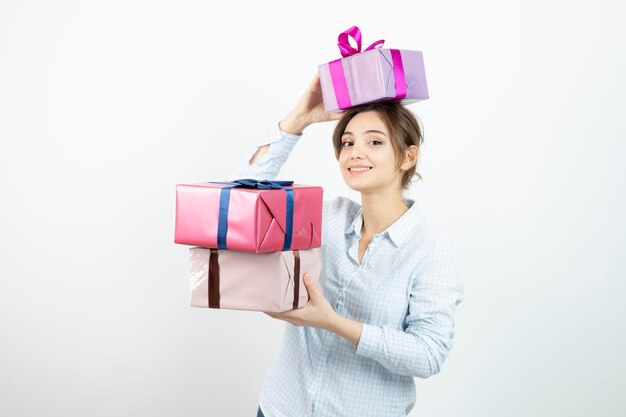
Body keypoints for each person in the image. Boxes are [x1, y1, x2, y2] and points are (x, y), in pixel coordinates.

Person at [230, 73, 464, 417]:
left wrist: (332, 322)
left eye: (374, 142)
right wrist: (298, 119)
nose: (355, 153)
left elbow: (428, 354)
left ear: (407, 157)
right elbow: (240, 201)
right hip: (280, 408)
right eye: (348, 142)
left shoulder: (430, 250)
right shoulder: (327, 218)